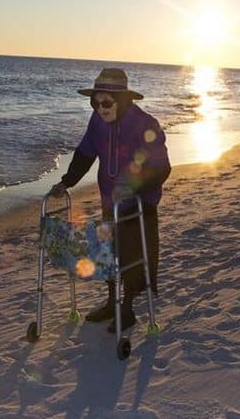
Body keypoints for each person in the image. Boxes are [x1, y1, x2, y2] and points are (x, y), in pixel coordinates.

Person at [50, 68, 171, 333]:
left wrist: (135, 189)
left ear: (124, 100)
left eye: (106, 103)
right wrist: (67, 181)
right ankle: (110, 302)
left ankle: (126, 309)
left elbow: (162, 168)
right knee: (109, 254)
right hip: (110, 200)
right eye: (95, 102)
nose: (100, 108)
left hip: (140, 204)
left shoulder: (145, 124)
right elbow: (84, 153)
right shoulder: (97, 122)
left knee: (131, 256)